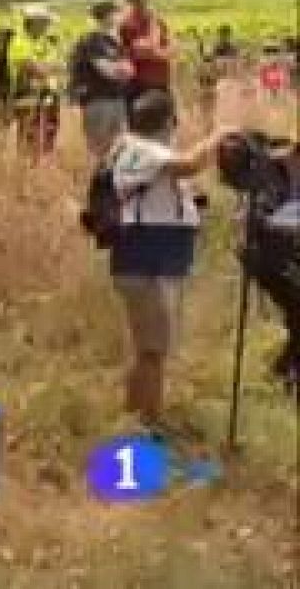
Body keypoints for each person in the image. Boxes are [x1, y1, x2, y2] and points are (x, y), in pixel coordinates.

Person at [107, 90, 226, 431]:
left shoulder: (131, 151)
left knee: (147, 348)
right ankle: (150, 426)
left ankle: (133, 417)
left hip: (149, 259)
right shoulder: (143, 151)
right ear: (167, 121)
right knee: (154, 350)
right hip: (147, 260)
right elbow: (190, 164)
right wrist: (217, 137)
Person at [69, 0, 134, 160]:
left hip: (117, 99)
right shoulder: (93, 40)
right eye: (116, 12)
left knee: (120, 148)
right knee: (99, 150)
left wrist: (121, 69)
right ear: (106, 16)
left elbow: (129, 70)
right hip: (98, 100)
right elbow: (107, 71)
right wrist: (121, 69)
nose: (120, 16)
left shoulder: (115, 42)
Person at [7, 5, 65, 158]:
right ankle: (27, 168)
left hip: (48, 92)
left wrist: (47, 67)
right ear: (33, 23)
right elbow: (36, 70)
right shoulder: (19, 42)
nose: (47, 26)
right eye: (44, 22)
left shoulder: (45, 41)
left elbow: (61, 66)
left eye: (47, 22)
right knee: (29, 132)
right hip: (26, 94)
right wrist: (48, 67)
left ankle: (43, 165)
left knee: (49, 130)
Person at [119, 0, 174, 101]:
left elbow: (170, 47)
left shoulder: (157, 20)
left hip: (161, 81)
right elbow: (141, 51)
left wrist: (161, 52)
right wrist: (161, 53)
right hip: (140, 84)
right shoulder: (126, 23)